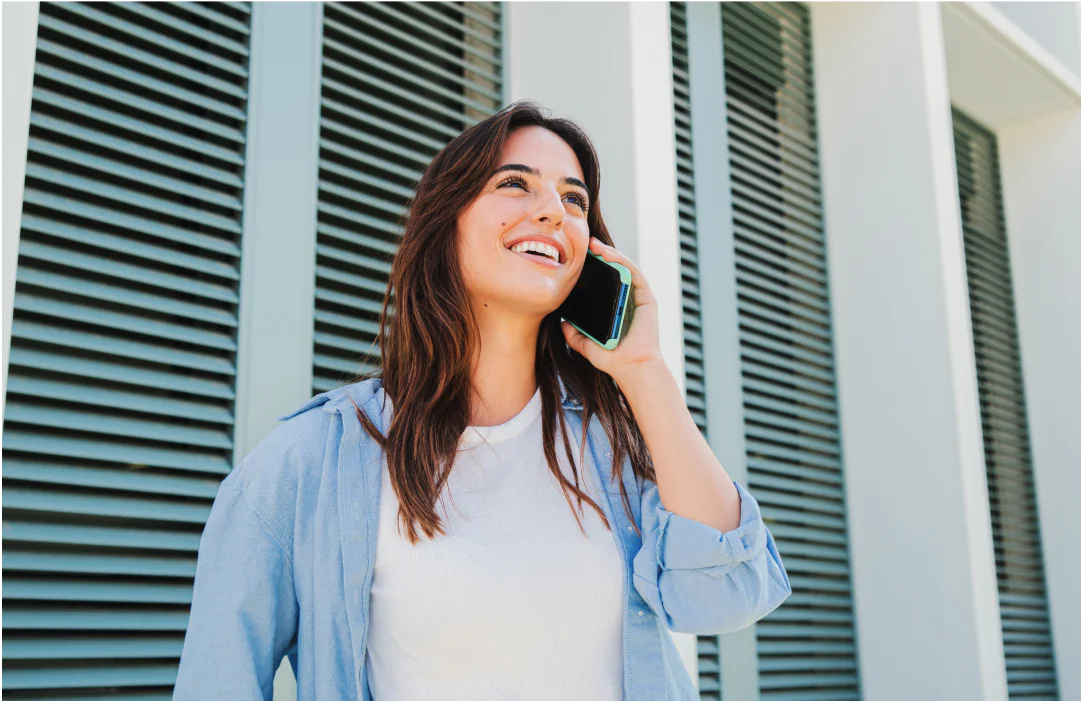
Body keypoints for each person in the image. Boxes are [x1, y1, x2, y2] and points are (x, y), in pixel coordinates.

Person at [173, 99, 791, 701]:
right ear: (446, 224)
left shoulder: (615, 444)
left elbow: (726, 598)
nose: (553, 209)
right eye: (515, 183)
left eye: (574, 199)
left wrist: (644, 369)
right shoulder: (308, 462)